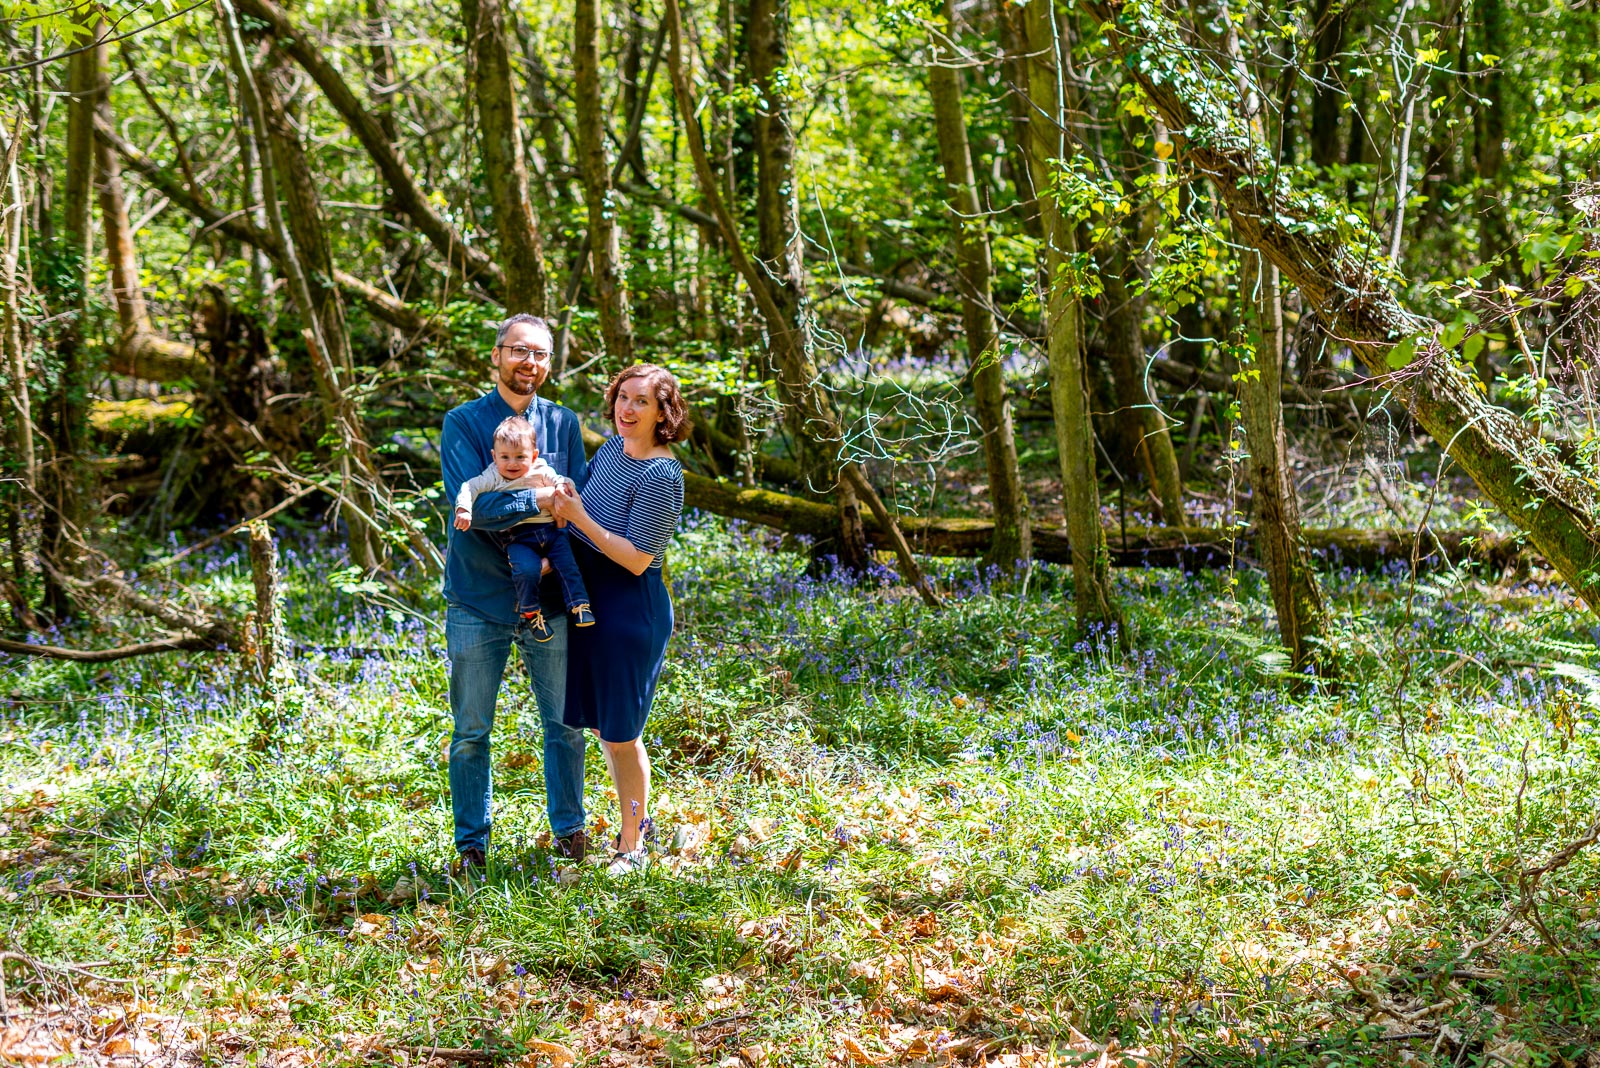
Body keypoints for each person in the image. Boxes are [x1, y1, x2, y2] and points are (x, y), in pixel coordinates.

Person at [439, 314, 592, 873]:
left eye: (542, 355)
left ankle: (570, 835)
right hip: (478, 599)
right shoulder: (463, 423)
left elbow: (578, 504)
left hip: (550, 600)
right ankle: (471, 848)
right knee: (471, 732)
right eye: (520, 351)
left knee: (566, 726)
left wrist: (558, 544)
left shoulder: (564, 423)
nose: (531, 363)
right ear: (498, 355)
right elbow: (473, 510)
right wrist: (537, 503)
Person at [547, 364, 688, 874]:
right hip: (590, 602)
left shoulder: (661, 473)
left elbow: (637, 558)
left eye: (641, 402)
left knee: (622, 735)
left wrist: (579, 516)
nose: (626, 410)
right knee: (606, 730)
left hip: (630, 611)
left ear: (663, 412)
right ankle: (634, 831)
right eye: (622, 398)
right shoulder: (610, 449)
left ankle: (632, 845)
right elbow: (579, 509)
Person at [453, 416, 594, 642]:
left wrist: (561, 486)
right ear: (494, 456)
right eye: (505, 457)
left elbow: (561, 480)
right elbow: (470, 486)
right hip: (518, 537)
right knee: (525, 571)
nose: (512, 464)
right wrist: (463, 508)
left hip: (550, 530)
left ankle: (579, 604)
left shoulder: (540, 468)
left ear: (534, 455)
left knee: (567, 564)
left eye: (520, 457)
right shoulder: (493, 475)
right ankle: (531, 612)